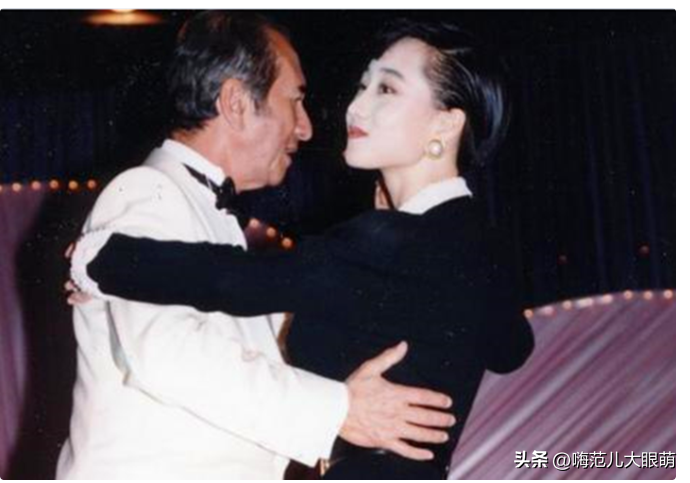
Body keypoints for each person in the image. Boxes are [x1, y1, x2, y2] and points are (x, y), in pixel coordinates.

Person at [69, 18, 535, 479]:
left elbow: (230, 281)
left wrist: (97, 259)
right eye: (363, 86)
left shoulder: (390, 240)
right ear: (236, 103)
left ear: (446, 123)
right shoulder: (149, 190)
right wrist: (341, 407)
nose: (350, 109)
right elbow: (511, 347)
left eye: (387, 90)